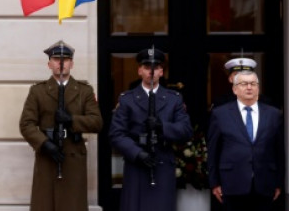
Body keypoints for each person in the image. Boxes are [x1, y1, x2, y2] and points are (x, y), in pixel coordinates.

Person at [19, 40, 103, 211]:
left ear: (72, 63)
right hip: (47, 157)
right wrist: (44, 144)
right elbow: (26, 124)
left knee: (72, 205)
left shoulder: (84, 91)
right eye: (57, 59)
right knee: (45, 204)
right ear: (49, 64)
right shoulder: (38, 91)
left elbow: (96, 122)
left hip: (73, 157)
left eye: (66, 59)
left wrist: (71, 120)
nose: (61, 63)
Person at [109, 48, 193, 210]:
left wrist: (163, 127)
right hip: (137, 164)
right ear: (139, 70)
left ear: (161, 72)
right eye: (147, 67)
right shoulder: (127, 99)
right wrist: (137, 153)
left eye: (156, 67)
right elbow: (116, 134)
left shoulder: (173, 99)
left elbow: (185, 130)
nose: (151, 72)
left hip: (162, 162)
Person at [208, 70, 285, 210]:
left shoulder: (274, 114)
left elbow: (279, 151)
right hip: (231, 184)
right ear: (234, 89)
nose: (249, 87)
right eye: (244, 84)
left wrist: (279, 182)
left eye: (253, 84)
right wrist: (214, 183)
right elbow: (213, 151)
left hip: (265, 184)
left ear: (258, 88)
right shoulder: (220, 114)